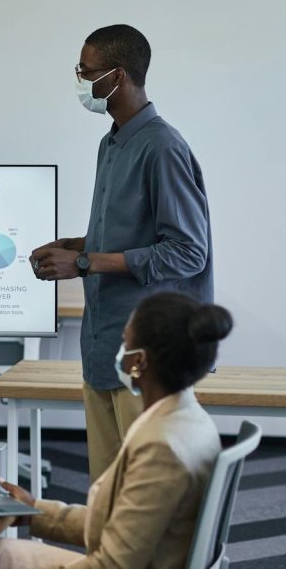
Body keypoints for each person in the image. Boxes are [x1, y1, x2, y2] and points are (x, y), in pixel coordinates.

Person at [31, 24, 213, 481]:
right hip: (103, 346)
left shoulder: (162, 148)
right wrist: (74, 247)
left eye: (85, 72)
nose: (79, 81)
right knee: (106, 489)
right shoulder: (111, 144)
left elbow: (189, 252)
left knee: (145, 496)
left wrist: (86, 262)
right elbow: (126, 237)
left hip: (145, 355)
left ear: (118, 76)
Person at [0, 292, 232, 569]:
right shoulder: (189, 419)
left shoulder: (160, 448)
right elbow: (123, 524)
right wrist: (34, 511)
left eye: (124, 341)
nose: (119, 350)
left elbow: (113, 565)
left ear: (139, 361)